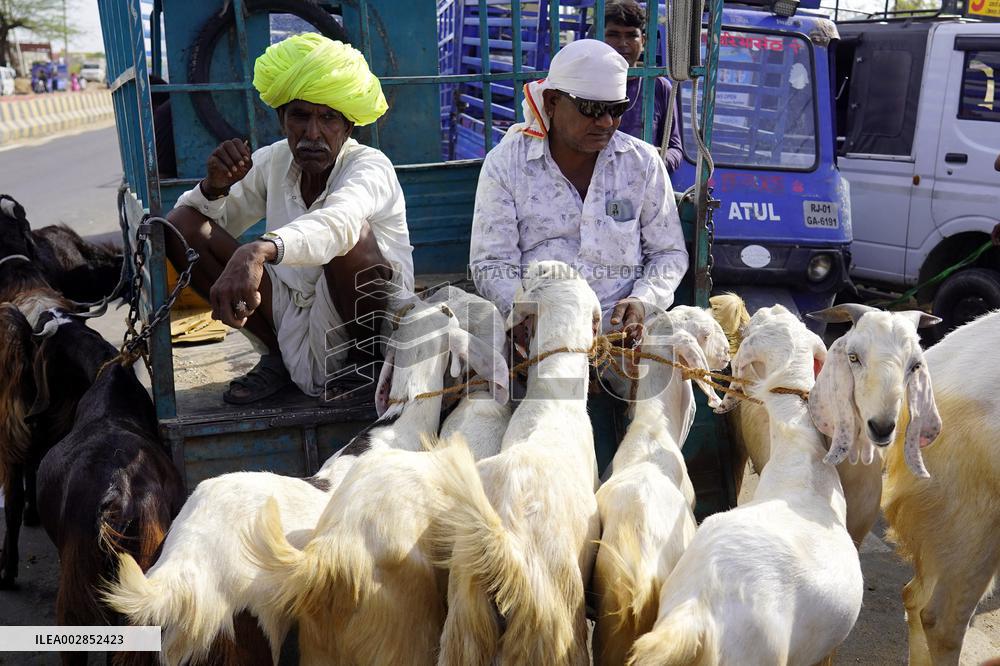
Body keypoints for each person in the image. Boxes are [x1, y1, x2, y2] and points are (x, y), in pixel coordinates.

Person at [166, 33, 414, 405]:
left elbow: (340, 223)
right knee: (183, 225)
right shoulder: (274, 160)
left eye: (328, 118)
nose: (312, 133)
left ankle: (365, 364)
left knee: (353, 238)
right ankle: (277, 360)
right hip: (289, 316)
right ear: (282, 119)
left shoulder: (369, 166)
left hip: (362, 323)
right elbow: (203, 223)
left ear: (347, 127)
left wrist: (259, 251)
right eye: (300, 116)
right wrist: (215, 187)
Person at [469, 38, 688, 379]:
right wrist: (524, 313)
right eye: (591, 108)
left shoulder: (642, 163)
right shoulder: (506, 164)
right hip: (539, 333)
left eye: (616, 109)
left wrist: (644, 301)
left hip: (620, 336)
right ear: (552, 102)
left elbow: (669, 253)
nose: (606, 122)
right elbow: (491, 263)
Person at [602, 0, 683, 174]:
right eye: (614, 34)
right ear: (600, 38)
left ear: (643, 41)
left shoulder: (658, 86)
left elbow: (675, 149)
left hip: (641, 188)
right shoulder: (584, 81)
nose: (623, 43)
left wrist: (654, 159)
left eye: (631, 35)